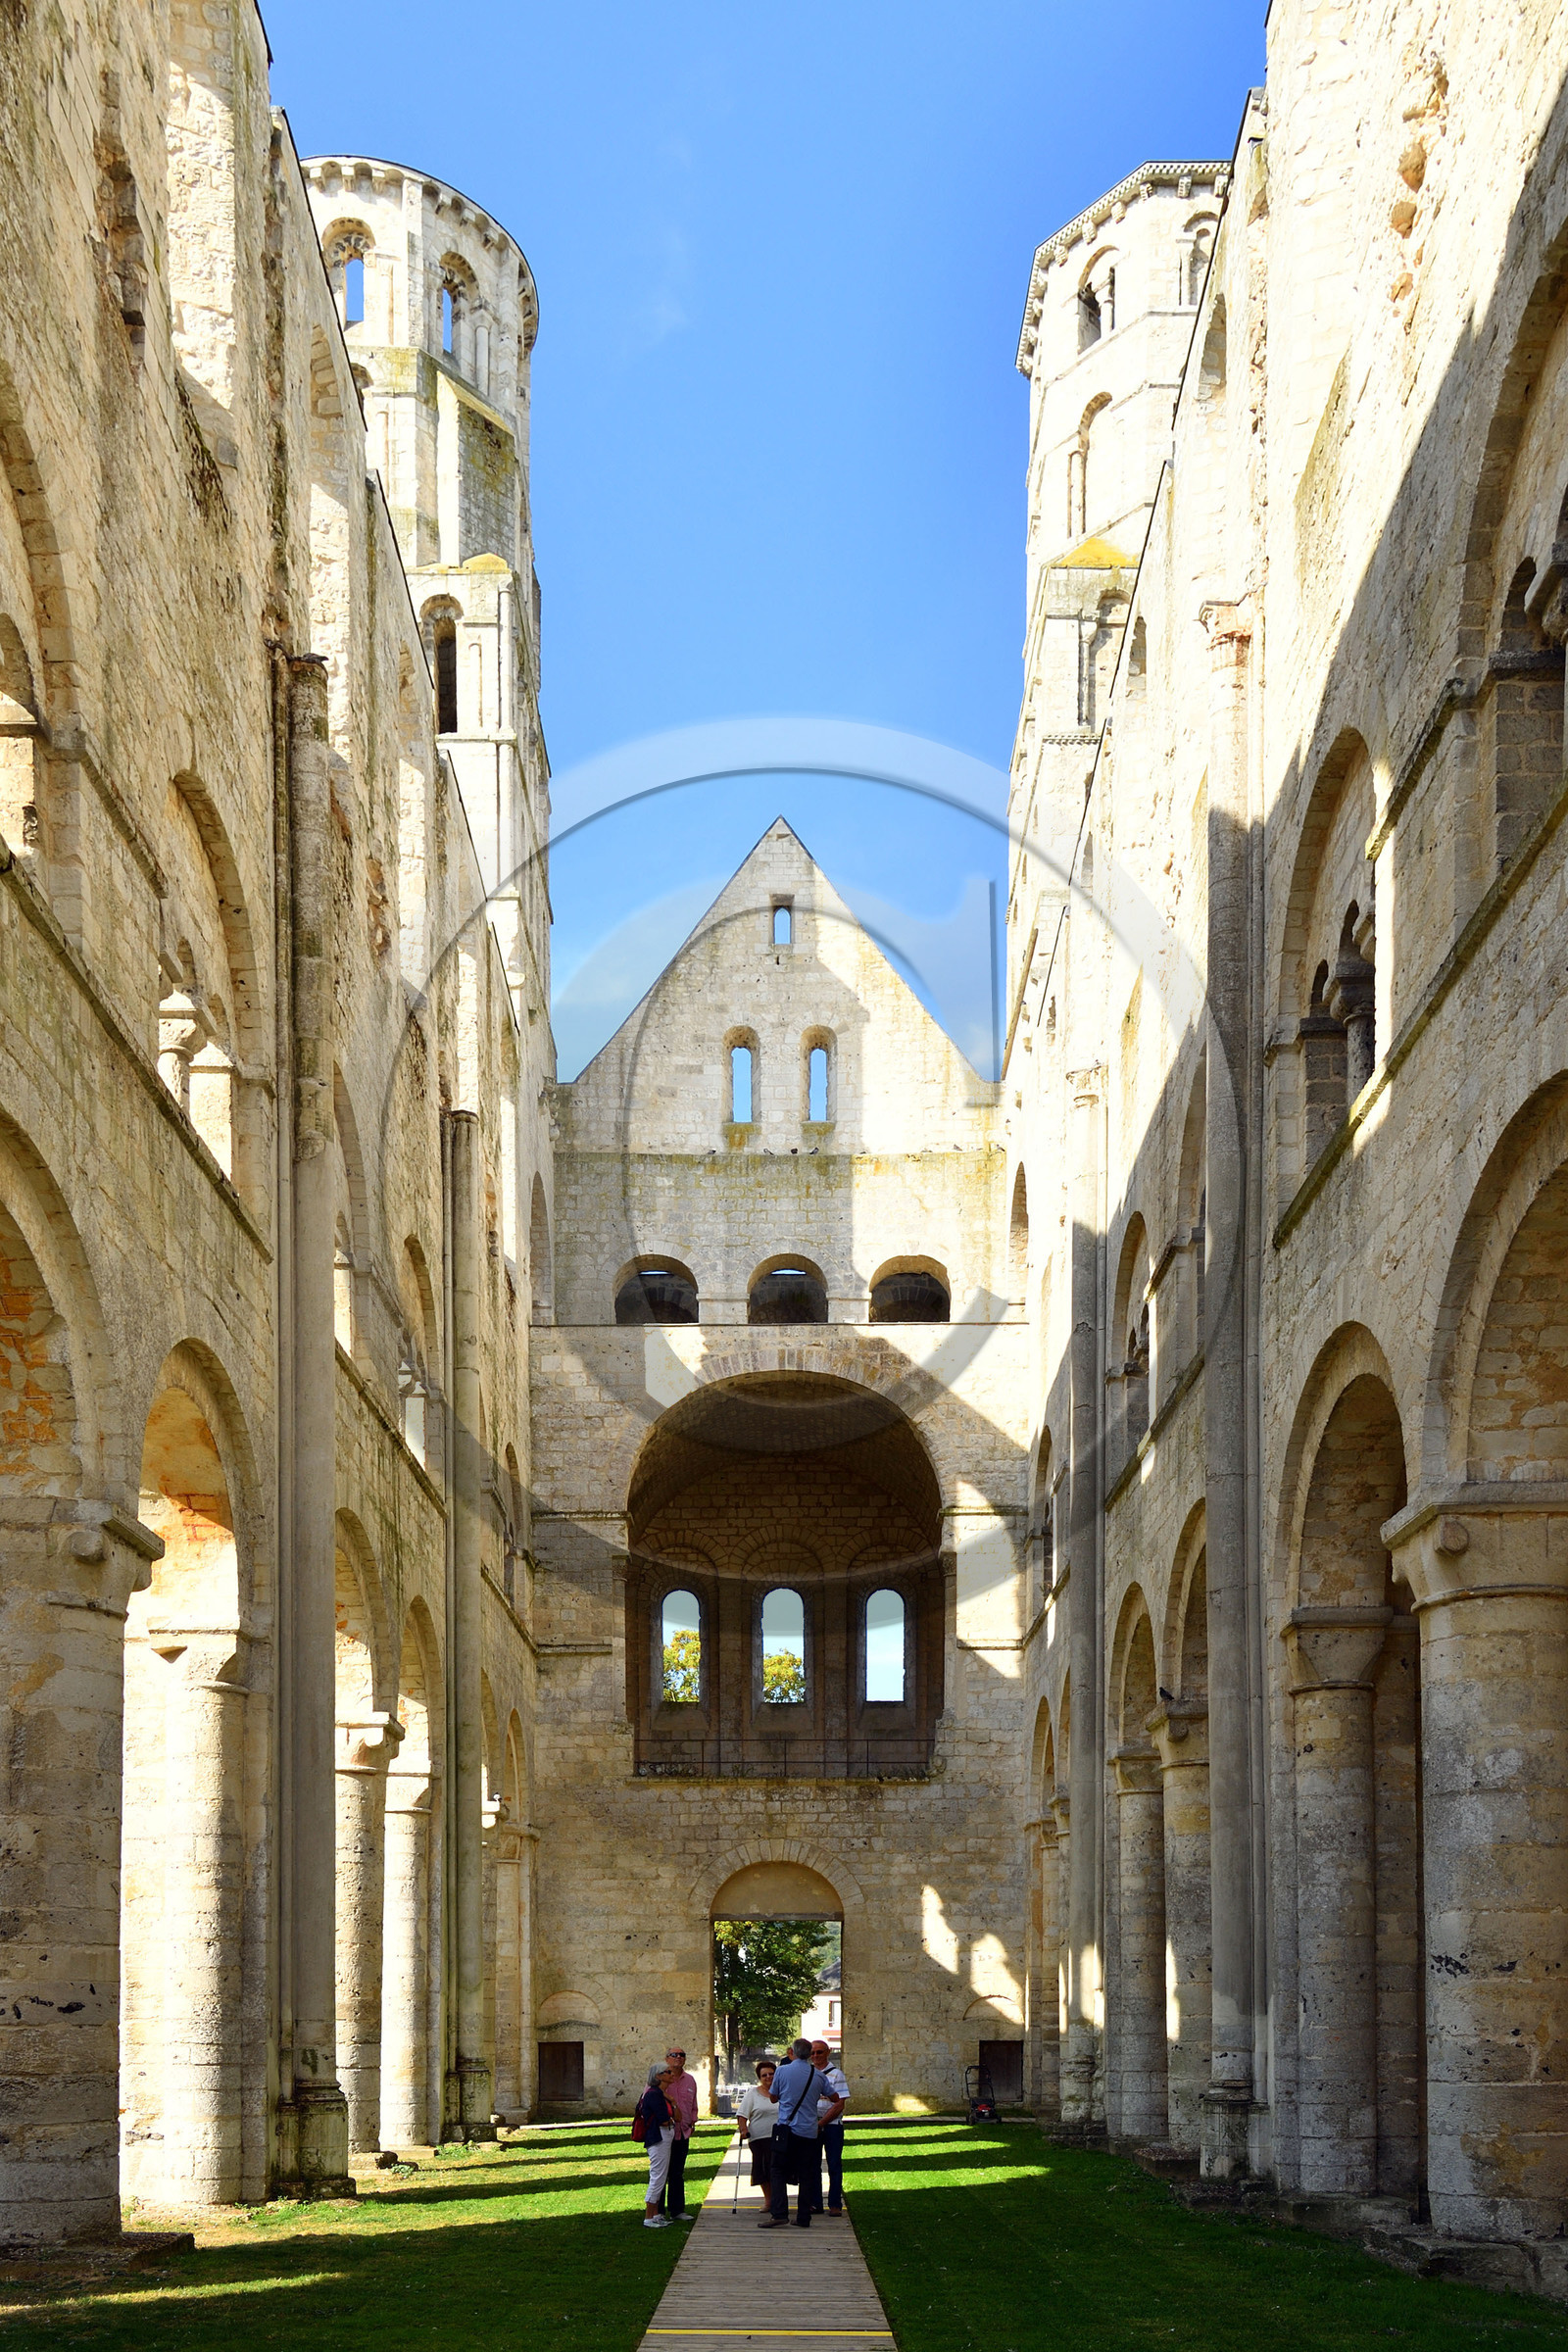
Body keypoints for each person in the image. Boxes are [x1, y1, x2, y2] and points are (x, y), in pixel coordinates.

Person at [758, 2037, 828, 2230]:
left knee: (778, 2170)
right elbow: (834, 2096)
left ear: (794, 2052)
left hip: (786, 2130)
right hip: (809, 2132)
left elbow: (773, 2098)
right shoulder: (818, 2075)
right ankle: (803, 2216)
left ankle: (779, 2213)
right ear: (809, 2054)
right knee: (806, 2174)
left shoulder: (782, 2071)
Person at [808, 2039, 849, 2216]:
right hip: (811, 2125)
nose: (816, 2056)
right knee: (813, 2165)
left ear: (828, 2052)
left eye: (819, 2052)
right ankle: (816, 2203)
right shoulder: (808, 2074)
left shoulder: (837, 2074)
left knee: (834, 2165)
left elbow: (839, 2104)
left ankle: (835, 2204)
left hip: (832, 2126)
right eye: (812, 2053)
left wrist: (822, 2123)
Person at [636, 2064, 677, 2228]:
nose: (671, 2074)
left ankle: (656, 2214)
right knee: (657, 2176)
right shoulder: (654, 2095)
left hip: (663, 2136)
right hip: (658, 2137)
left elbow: (677, 2117)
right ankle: (649, 2217)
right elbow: (664, 2119)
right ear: (658, 2076)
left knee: (661, 2175)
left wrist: (673, 2102)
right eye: (668, 2072)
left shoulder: (661, 2094)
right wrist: (671, 2120)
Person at [731, 2057, 779, 2195]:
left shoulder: (783, 2092)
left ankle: (778, 2199)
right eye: (764, 2075)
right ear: (759, 2078)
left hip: (780, 2137)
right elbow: (742, 2115)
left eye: (771, 2074)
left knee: (778, 2169)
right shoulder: (752, 2094)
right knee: (763, 2169)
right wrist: (743, 2129)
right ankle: (769, 2199)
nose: (768, 2077)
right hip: (759, 2138)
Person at [661, 2044, 698, 2219]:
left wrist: (692, 2121)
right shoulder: (660, 2078)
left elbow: (693, 2104)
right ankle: (657, 2212)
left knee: (677, 2172)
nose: (678, 2057)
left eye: (681, 2054)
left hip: (682, 2132)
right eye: (674, 2055)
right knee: (661, 2172)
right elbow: (648, 2099)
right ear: (667, 2058)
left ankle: (677, 2210)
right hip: (663, 2132)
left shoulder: (690, 2080)